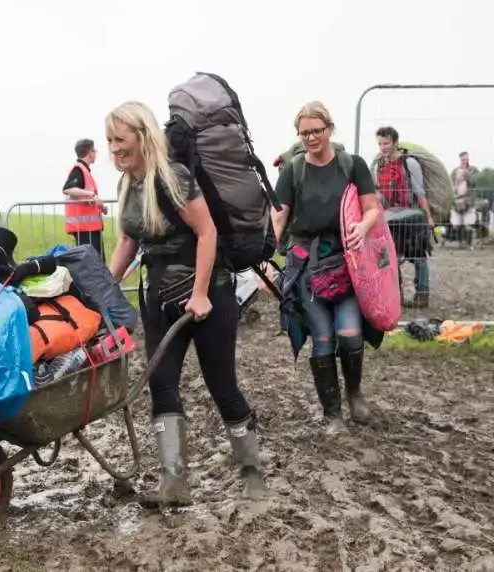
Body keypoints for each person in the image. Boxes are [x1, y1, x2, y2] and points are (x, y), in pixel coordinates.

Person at [106, 101, 264, 504]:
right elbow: (128, 240)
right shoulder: (129, 185)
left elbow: (207, 232)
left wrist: (200, 294)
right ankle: (173, 483)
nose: (113, 149)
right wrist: (107, 288)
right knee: (161, 384)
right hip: (159, 297)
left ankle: (252, 471)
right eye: (109, 141)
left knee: (221, 385)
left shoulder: (173, 177)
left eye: (120, 140)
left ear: (142, 138)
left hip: (208, 293)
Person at [272, 101, 383, 435]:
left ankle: (354, 395)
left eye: (316, 131)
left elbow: (371, 209)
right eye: (304, 133)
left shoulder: (353, 165)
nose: (310, 138)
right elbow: (279, 215)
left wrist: (363, 228)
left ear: (329, 129)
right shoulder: (292, 170)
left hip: (349, 262)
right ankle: (332, 414)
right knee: (322, 337)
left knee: (349, 334)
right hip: (307, 265)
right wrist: (265, 252)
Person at [374, 126, 432, 309]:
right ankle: (396, 296)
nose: (383, 147)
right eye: (380, 143)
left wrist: (428, 217)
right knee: (390, 257)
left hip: (412, 217)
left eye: (386, 143)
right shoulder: (378, 165)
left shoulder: (409, 164)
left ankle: (422, 296)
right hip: (390, 219)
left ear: (395, 143)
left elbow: (419, 192)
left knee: (419, 256)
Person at [63, 138, 107, 259]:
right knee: (92, 265)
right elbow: (68, 189)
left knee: (96, 263)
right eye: (95, 151)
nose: (96, 154)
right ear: (90, 152)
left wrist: (101, 207)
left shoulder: (84, 170)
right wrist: (91, 194)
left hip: (90, 229)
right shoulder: (78, 169)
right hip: (85, 230)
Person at [449, 151, 480, 249]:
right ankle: (460, 243)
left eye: (466, 159)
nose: (465, 161)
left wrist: (464, 174)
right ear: (460, 159)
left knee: (468, 223)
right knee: (457, 223)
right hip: (457, 202)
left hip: (469, 202)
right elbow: (451, 183)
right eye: (463, 159)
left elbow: (474, 181)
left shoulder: (474, 170)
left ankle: (468, 244)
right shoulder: (455, 171)